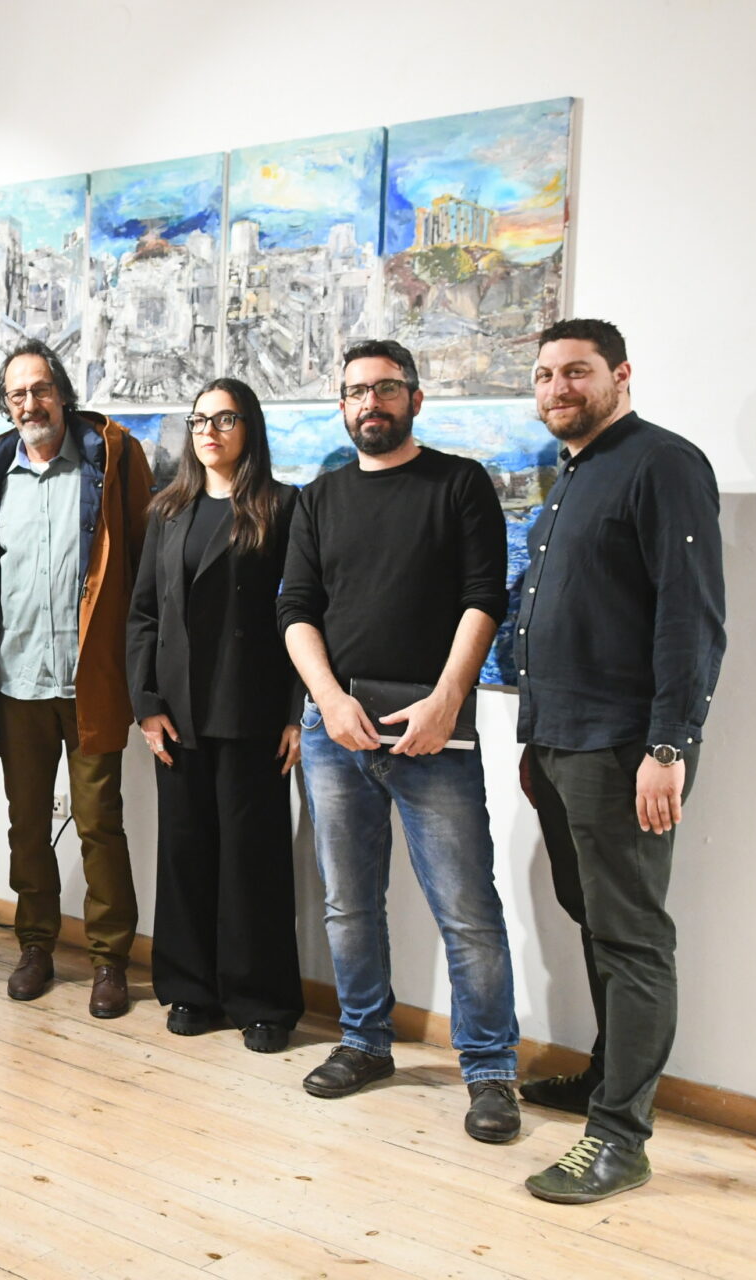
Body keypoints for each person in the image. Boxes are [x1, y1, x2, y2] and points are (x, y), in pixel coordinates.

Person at [277, 339, 522, 1143]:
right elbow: (295, 609)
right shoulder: (319, 499)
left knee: (468, 908)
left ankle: (490, 1069)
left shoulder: (459, 484)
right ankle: (365, 1042)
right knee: (349, 905)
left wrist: (446, 702)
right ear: (341, 406)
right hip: (337, 732)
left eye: (386, 388)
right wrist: (328, 701)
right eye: (356, 391)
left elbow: (485, 597)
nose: (370, 402)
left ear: (415, 398)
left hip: (433, 731)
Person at [515, 319, 725, 1204]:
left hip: (622, 749)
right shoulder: (571, 473)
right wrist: (534, 743)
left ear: (620, 375)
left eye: (577, 371)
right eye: (544, 375)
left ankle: (619, 1138)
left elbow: (691, 614)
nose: (558, 388)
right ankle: (608, 1080)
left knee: (632, 939)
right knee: (597, 923)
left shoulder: (662, 463)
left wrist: (669, 746)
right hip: (559, 745)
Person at [0, 338, 153, 1018]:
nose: (30, 403)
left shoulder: (111, 459)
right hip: (15, 683)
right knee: (26, 826)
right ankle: (35, 945)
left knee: (100, 824)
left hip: (90, 681)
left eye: (40, 389)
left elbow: (143, 566)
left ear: (63, 394)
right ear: (6, 405)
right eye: (17, 393)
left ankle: (109, 960)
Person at [126, 377, 304, 1051]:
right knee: (184, 856)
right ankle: (190, 989)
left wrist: (295, 711)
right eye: (200, 420)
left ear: (248, 428)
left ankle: (262, 1002)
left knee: (253, 862)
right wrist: (146, 706)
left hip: (253, 711)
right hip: (179, 715)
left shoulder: (282, 506)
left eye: (224, 419)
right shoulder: (169, 509)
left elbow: (302, 612)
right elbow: (144, 614)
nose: (209, 431)